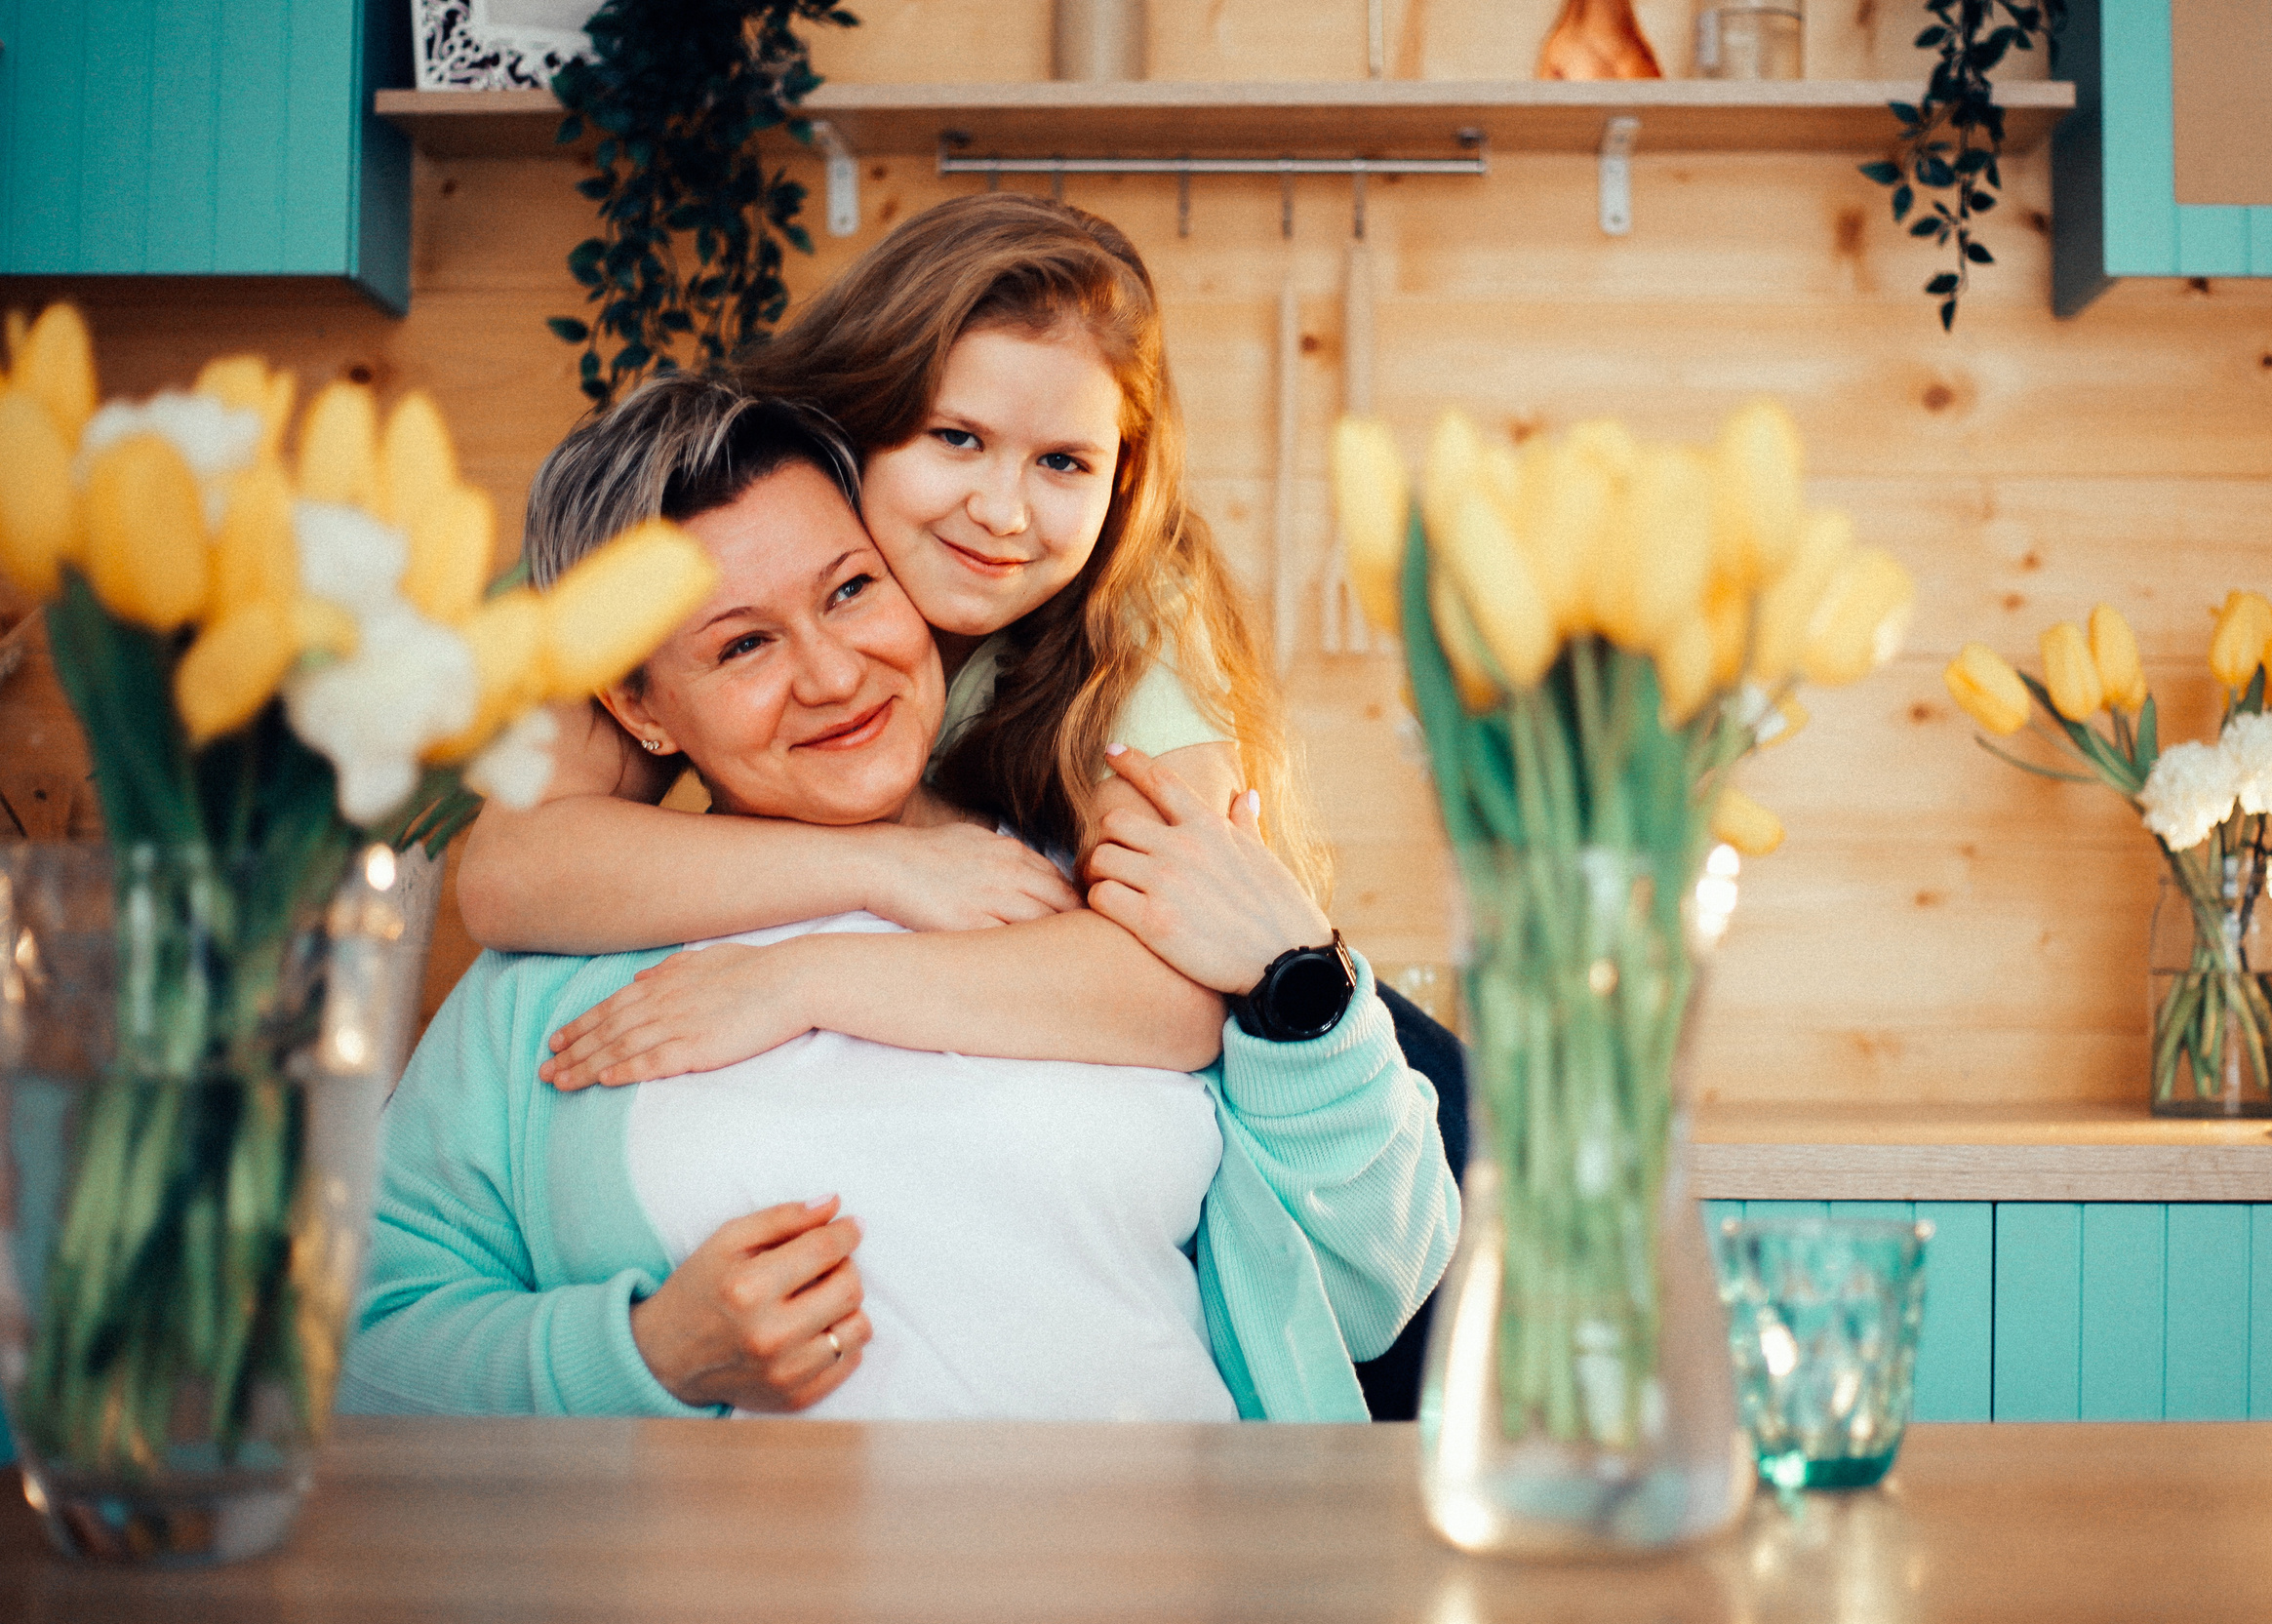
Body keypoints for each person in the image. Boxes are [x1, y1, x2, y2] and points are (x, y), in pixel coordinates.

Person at [339, 379, 1457, 1422]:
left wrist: (1301, 991)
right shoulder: (561, 971)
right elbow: (358, 1339)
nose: (832, 675)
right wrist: (646, 1351)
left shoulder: (1111, 889)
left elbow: (1375, 1273)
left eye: (850, 588)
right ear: (640, 703)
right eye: (741, 645)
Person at [455, 197, 1314, 1052]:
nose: (1004, 513)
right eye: (956, 438)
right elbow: (511, 869)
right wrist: (884, 867)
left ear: (1120, 483)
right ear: (860, 419)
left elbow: (1179, 985)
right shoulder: (757, 501)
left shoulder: (1133, 614)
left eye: (1063, 462)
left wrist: (804, 978)